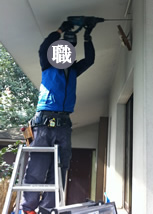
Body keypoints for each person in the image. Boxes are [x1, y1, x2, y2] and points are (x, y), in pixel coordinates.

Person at [21, 21, 95, 214]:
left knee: (60, 168)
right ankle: (28, 209)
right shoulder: (47, 66)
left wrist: (88, 36)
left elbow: (91, 60)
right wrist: (60, 30)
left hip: (63, 125)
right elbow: (43, 48)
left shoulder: (73, 71)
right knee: (38, 166)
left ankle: (46, 210)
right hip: (44, 123)